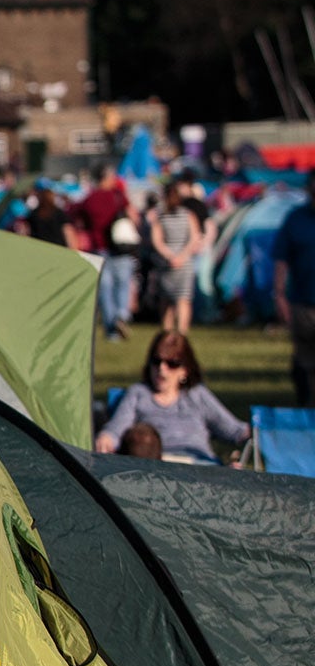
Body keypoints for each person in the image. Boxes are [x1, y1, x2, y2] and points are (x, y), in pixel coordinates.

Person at [94, 330, 249, 464]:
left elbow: (233, 429)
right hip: (156, 469)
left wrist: (257, 433)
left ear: (185, 370)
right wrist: (107, 437)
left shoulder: (196, 395)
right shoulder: (139, 393)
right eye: (156, 361)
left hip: (199, 466)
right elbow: (117, 427)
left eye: (172, 363)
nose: (162, 369)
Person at [77, 163, 140, 341]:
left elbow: (77, 218)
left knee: (105, 288)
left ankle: (112, 328)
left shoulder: (89, 198)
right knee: (123, 284)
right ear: (106, 178)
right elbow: (133, 215)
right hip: (121, 247)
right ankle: (121, 315)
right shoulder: (118, 196)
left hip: (99, 247)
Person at [148, 175, 210, 335]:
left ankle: (167, 332)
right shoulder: (188, 215)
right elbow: (194, 237)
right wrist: (182, 256)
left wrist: (170, 256)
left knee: (166, 301)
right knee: (183, 300)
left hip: (167, 261)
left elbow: (157, 240)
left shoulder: (160, 216)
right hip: (184, 262)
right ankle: (182, 332)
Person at [273, 181, 315, 408]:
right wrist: (279, 294)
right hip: (303, 302)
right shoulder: (295, 218)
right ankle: (307, 408)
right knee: (305, 360)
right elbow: (281, 259)